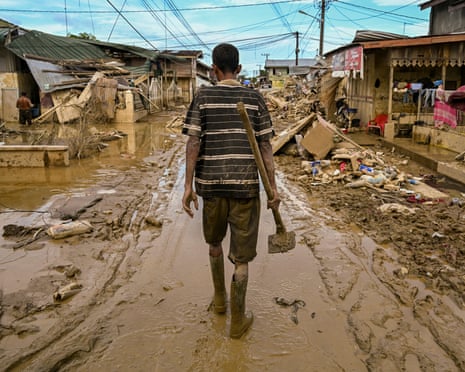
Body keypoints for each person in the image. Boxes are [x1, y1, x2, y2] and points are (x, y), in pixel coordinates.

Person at [182, 43, 280, 339]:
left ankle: (220, 302)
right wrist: (273, 189)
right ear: (238, 69)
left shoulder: (202, 96)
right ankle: (237, 322)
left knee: (214, 244)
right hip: (246, 188)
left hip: (210, 187)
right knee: (241, 258)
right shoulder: (254, 98)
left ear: (213, 70)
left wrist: (188, 186)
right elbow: (266, 147)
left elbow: (193, 144)